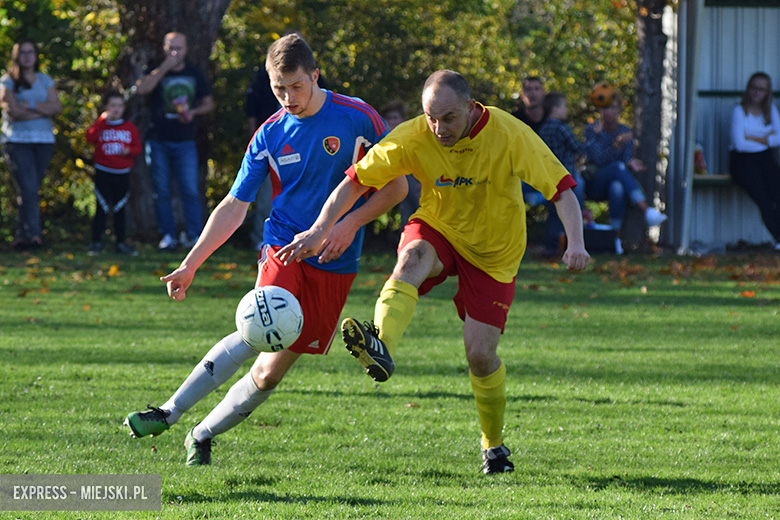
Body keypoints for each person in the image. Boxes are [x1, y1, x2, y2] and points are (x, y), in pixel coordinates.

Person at [277, 70, 590, 475]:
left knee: (480, 356)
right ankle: (380, 345)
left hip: (495, 250)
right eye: (430, 117)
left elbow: (561, 189)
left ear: (471, 108)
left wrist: (577, 243)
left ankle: (493, 447)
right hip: (439, 227)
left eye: (448, 118)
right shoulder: (413, 135)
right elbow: (354, 182)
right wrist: (321, 229)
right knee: (412, 258)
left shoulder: (510, 133)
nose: (438, 128)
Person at [123, 33, 406, 466]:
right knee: (259, 329)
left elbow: (396, 186)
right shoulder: (269, 134)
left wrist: (348, 224)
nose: (288, 98)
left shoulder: (357, 117)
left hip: (335, 259)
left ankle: (201, 434)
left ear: (314, 75)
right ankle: (168, 410)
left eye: (296, 86)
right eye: (278, 89)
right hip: (285, 246)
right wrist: (190, 264)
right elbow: (235, 205)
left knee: (270, 372)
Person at [134, 31, 215, 250]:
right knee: (161, 191)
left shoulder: (194, 74)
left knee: (189, 190)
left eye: (179, 48)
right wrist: (164, 68)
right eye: (171, 48)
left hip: (185, 141)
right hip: (158, 140)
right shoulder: (155, 70)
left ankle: (194, 236)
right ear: (164, 48)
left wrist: (194, 112)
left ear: (186, 49)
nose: (175, 52)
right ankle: (168, 235)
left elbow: (208, 103)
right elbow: (142, 89)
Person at [583, 88, 666, 254]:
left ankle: (615, 238)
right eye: (606, 108)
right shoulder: (592, 130)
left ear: (619, 109)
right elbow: (597, 159)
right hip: (593, 182)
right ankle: (646, 210)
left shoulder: (624, 132)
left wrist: (630, 163)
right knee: (617, 168)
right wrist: (615, 145)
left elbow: (624, 160)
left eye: (613, 108)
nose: (609, 112)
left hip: (613, 181)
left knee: (617, 187)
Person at [0, 39, 62, 250]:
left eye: (31, 52)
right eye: (23, 52)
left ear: (36, 56)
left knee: (30, 190)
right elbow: (12, 111)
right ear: (16, 56)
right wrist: (39, 111)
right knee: (28, 188)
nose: (27, 56)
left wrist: (30, 105)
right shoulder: (8, 81)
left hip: (43, 142)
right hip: (17, 141)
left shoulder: (44, 80)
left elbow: (56, 106)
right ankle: (34, 236)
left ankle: (21, 236)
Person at [85, 90, 143, 256]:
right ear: (105, 107)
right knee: (101, 208)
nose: (116, 109)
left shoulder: (129, 127)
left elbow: (137, 148)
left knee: (120, 209)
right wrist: (102, 120)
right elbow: (89, 137)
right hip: (103, 173)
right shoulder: (101, 125)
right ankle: (95, 242)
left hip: (122, 174)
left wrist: (129, 151)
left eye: (119, 106)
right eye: (112, 105)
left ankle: (121, 243)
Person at [729, 72, 780, 250]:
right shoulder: (739, 111)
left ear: (767, 92)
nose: (757, 93)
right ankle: (778, 238)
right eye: (754, 88)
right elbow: (740, 144)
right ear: (748, 89)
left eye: (761, 89)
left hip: (765, 159)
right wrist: (766, 138)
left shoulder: (771, 111)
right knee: (764, 199)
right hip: (742, 161)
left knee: (777, 193)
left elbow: (779, 139)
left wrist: (753, 137)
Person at [537, 91, 587, 256]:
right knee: (569, 214)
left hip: (548, 177)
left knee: (553, 214)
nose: (566, 110)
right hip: (565, 176)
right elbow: (578, 148)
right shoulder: (562, 128)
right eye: (564, 106)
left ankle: (550, 247)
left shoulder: (543, 128)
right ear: (556, 108)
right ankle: (567, 247)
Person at [245, 65, 280, 250]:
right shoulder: (262, 75)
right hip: (270, 147)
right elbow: (252, 105)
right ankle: (261, 238)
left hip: (301, 147)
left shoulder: (312, 72)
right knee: (266, 196)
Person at [381, 100, 421, 232]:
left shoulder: (412, 136)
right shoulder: (384, 137)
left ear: (404, 120)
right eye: (388, 118)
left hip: (414, 179)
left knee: (418, 208)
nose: (391, 122)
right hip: (396, 179)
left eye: (395, 118)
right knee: (406, 213)